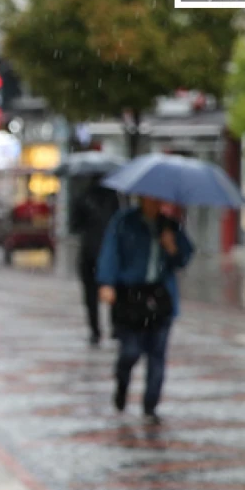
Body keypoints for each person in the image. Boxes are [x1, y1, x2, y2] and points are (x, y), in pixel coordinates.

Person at [97, 195, 194, 425]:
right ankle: (122, 384)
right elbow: (110, 253)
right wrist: (107, 282)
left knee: (157, 354)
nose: (154, 202)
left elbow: (184, 257)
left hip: (160, 297)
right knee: (130, 351)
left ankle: (150, 406)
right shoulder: (123, 221)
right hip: (130, 296)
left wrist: (172, 248)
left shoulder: (170, 225)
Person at [70, 176, 122, 346]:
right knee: (113, 289)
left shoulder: (84, 197)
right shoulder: (113, 197)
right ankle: (115, 328)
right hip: (109, 250)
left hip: (90, 252)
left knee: (91, 294)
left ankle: (95, 331)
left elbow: (74, 226)